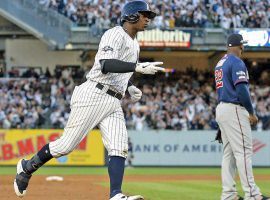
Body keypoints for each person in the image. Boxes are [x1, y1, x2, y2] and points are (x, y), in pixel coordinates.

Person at [14, 1, 164, 200]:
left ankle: (116, 195)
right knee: (65, 146)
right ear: (132, 16)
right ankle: (27, 167)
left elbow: (121, 72)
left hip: (113, 100)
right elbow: (105, 64)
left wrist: (130, 86)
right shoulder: (114, 34)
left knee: (119, 146)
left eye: (149, 16)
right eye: (144, 14)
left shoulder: (135, 44)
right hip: (94, 93)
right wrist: (136, 68)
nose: (148, 19)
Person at [215, 33, 269, 200]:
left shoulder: (220, 62)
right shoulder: (236, 62)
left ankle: (228, 194)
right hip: (234, 109)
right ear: (236, 46)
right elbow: (242, 90)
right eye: (241, 45)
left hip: (222, 108)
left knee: (229, 154)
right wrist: (251, 113)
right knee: (244, 152)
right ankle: (252, 194)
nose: (243, 48)